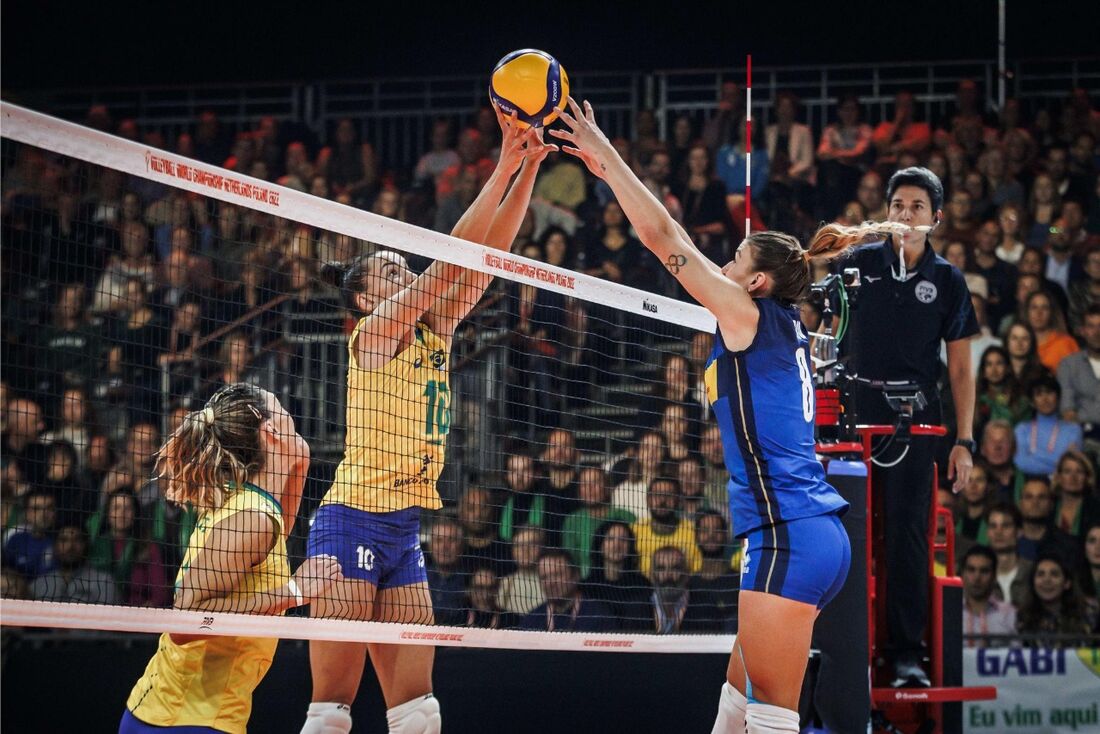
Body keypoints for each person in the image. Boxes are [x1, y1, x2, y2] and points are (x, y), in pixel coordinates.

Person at [551, 97, 851, 733]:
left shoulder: (746, 316)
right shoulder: (782, 329)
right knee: (735, 707)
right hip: (809, 536)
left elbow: (665, 240)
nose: (723, 267)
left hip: (787, 536)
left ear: (758, 283)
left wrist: (604, 155)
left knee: (771, 719)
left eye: (737, 261)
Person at [300, 112, 554, 734]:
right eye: (390, 271)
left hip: (403, 528)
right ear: (364, 299)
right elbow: (452, 258)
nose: (405, 271)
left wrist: (531, 169)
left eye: (402, 265)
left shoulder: (433, 328)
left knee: (418, 712)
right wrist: (502, 161)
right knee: (332, 711)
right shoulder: (374, 333)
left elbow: (488, 257)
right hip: (350, 520)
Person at [828, 166, 979, 687]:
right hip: (851, 423)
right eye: (897, 206)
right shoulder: (855, 265)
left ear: (935, 218)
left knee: (907, 539)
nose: (905, 215)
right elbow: (826, 331)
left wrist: (965, 441)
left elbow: (959, 367)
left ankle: (904, 654)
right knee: (843, 536)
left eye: (917, 207)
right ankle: (838, 651)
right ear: (885, 213)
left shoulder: (948, 281)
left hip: (917, 428)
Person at [120, 384, 341, 734]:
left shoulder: (256, 506)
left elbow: (280, 530)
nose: (290, 413)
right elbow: (185, 622)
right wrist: (294, 592)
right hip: (183, 719)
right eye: (281, 407)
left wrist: (301, 460)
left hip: (192, 714)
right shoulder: (250, 519)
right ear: (270, 432)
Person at [1016, 554, 1097, 645]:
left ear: (1067, 583)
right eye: (1040, 574)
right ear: (1033, 583)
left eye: (1054, 574)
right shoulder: (1023, 616)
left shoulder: (1090, 613)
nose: (1047, 580)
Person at [632, 477, 703, 580]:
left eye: (669, 495)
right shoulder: (635, 531)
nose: (662, 500)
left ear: (679, 501)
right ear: (648, 499)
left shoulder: (693, 532)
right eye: (657, 495)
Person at [1013, 375, 1083, 476]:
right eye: (1039, 394)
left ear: (1058, 398)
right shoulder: (1022, 429)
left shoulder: (1073, 429)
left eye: (1049, 393)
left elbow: (1071, 465)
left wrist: (1034, 455)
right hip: (1030, 486)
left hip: (1062, 485)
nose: (1045, 399)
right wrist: (1059, 463)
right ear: (1032, 402)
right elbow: (1021, 463)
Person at [1058, 305, 1100, 445]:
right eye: (1091, 326)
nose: (1097, 332)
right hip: (1082, 438)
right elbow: (1068, 412)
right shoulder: (1068, 365)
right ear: (1082, 331)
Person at [960, 545, 1018, 647]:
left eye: (984, 571)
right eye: (971, 570)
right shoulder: (949, 612)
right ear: (962, 574)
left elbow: (1017, 656)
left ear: (994, 576)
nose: (977, 577)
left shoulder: (1009, 613)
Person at [987, 502, 1031, 609]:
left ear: (1019, 532)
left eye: (1006, 526)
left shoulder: (1032, 572)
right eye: (993, 526)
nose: (998, 532)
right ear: (987, 533)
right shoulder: (977, 574)